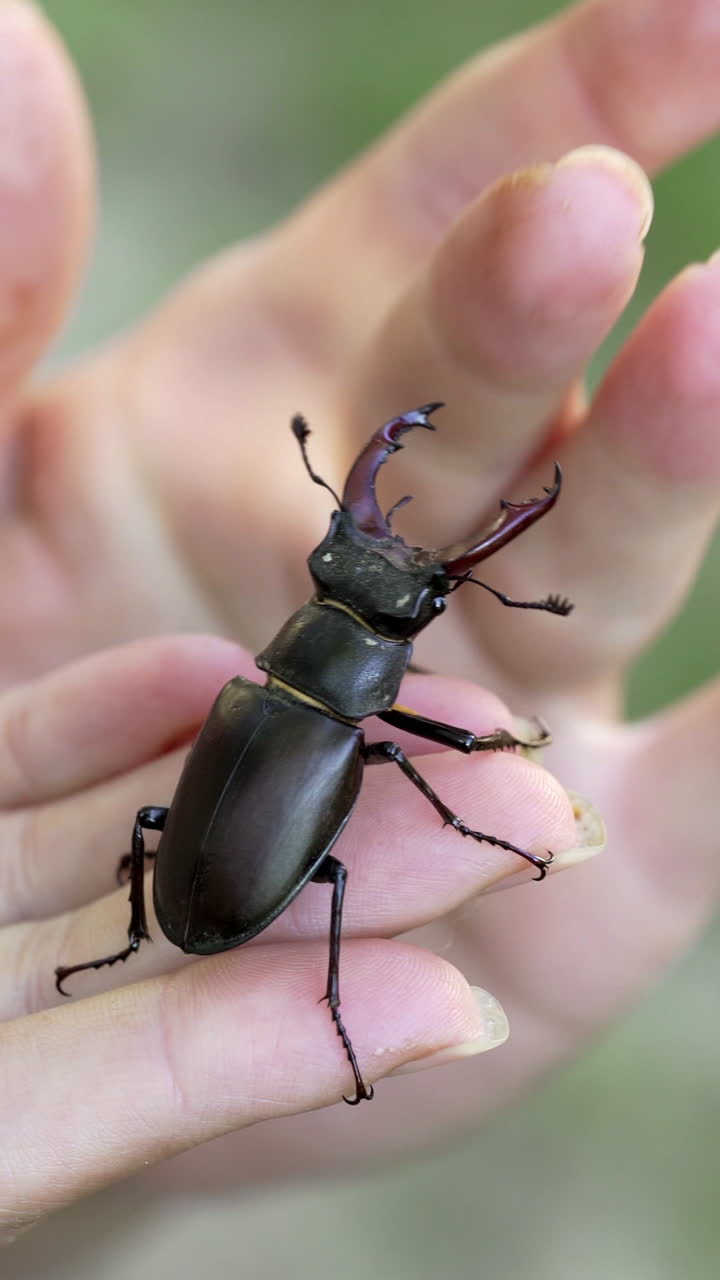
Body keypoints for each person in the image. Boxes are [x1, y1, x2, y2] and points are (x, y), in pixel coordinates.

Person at [1, 0, 719, 1242]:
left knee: (186, 817)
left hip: (209, 886)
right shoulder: (329, 724)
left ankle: (164, 947)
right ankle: (280, 974)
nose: (380, 580)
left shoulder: (254, 693)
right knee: (345, 844)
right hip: (225, 894)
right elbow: (417, 784)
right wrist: (479, 777)